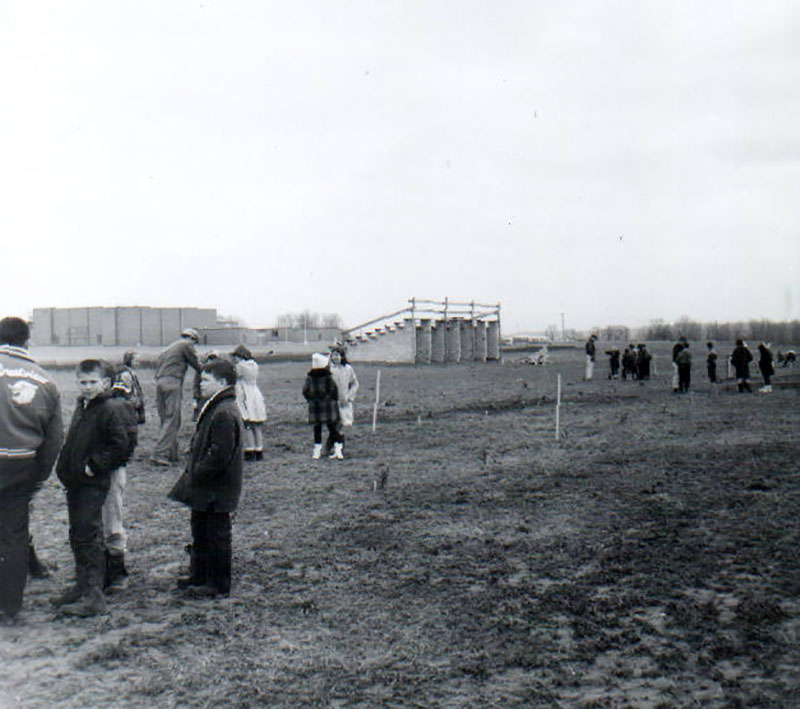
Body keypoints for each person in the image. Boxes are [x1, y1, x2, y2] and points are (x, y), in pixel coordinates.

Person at [53, 360, 129, 617]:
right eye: (83, 382)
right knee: (77, 535)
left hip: (92, 484)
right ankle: (82, 586)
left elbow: (120, 445)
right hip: (75, 483)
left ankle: (93, 596)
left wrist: (94, 466)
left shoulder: (108, 409)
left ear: (105, 383)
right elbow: (73, 440)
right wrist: (64, 467)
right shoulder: (82, 407)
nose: (87, 387)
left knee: (89, 536)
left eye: (92, 382)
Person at [0, 317, 63, 621]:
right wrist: (38, 474)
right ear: (26, 341)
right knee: (13, 535)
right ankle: (10, 606)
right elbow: (54, 439)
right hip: (22, 464)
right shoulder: (45, 381)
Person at [168, 359, 243, 597]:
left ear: (222, 383)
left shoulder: (224, 411)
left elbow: (220, 453)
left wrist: (198, 471)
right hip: (207, 487)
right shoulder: (216, 406)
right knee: (201, 530)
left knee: (216, 535)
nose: (200, 384)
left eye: (206, 380)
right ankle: (200, 575)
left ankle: (217, 584)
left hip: (215, 487)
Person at [101, 357, 143, 590]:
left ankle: (116, 570)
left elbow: (127, 442)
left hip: (112, 470)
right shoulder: (87, 406)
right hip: (92, 473)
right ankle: (98, 568)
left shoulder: (119, 406)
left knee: (112, 518)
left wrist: (108, 463)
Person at [151, 328, 201, 466]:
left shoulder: (168, 348)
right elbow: (197, 364)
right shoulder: (186, 345)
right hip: (173, 382)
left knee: (166, 418)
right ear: (193, 339)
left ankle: (172, 453)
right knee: (173, 419)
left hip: (160, 382)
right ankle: (159, 454)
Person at [230, 345, 267, 461]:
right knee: (257, 426)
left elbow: (233, 377)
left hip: (245, 395)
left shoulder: (240, 366)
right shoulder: (254, 365)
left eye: (235, 356)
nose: (234, 359)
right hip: (255, 393)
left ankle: (250, 450)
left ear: (240, 356)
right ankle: (259, 450)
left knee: (247, 425)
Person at [302, 353, 341, 459]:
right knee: (332, 428)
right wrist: (333, 400)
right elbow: (334, 391)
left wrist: (311, 399)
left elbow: (305, 391)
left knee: (317, 429)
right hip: (328, 406)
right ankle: (338, 450)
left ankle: (317, 451)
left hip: (315, 406)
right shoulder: (328, 377)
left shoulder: (310, 378)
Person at [328, 344, 359, 459]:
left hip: (344, 402)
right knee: (334, 427)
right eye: (333, 355)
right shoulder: (329, 370)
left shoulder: (348, 369)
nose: (335, 358)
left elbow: (355, 383)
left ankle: (338, 450)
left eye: (337, 355)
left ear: (342, 356)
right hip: (332, 403)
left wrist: (349, 397)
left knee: (340, 427)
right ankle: (336, 449)